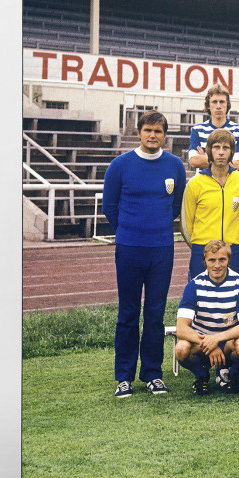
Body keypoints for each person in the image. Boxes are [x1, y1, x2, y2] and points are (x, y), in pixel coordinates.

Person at [102, 110, 186, 398]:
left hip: (162, 249)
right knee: (128, 313)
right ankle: (123, 376)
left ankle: (152, 374)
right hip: (129, 249)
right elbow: (110, 208)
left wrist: (154, 229)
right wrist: (130, 231)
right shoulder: (120, 165)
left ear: (165, 135)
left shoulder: (175, 166)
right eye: (148, 130)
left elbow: (175, 207)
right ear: (138, 132)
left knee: (154, 314)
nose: (153, 135)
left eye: (159, 131)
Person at [173, 240, 239, 395]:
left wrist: (217, 339)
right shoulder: (194, 285)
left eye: (222, 260)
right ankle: (201, 376)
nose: (217, 265)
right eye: (212, 260)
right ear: (205, 262)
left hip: (229, 344)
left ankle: (233, 375)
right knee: (181, 349)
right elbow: (181, 328)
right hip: (203, 345)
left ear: (229, 260)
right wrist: (209, 343)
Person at [180, 128, 239, 278]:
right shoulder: (195, 183)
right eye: (216, 147)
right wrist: (200, 245)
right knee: (201, 298)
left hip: (232, 250)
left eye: (225, 148)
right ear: (209, 151)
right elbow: (186, 224)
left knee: (231, 298)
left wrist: (234, 239)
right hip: (202, 250)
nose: (221, 152)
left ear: (232, 151)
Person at [188, 84, 239, 170]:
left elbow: (238, 165)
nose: (218, 106)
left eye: (222, 102)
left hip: (229, 182)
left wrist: (206, 157)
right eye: (214, 102)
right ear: (208, 105)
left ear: (227, 104)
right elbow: (194, 161)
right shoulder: (197, 130)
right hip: (204, 181)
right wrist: (227, 159)